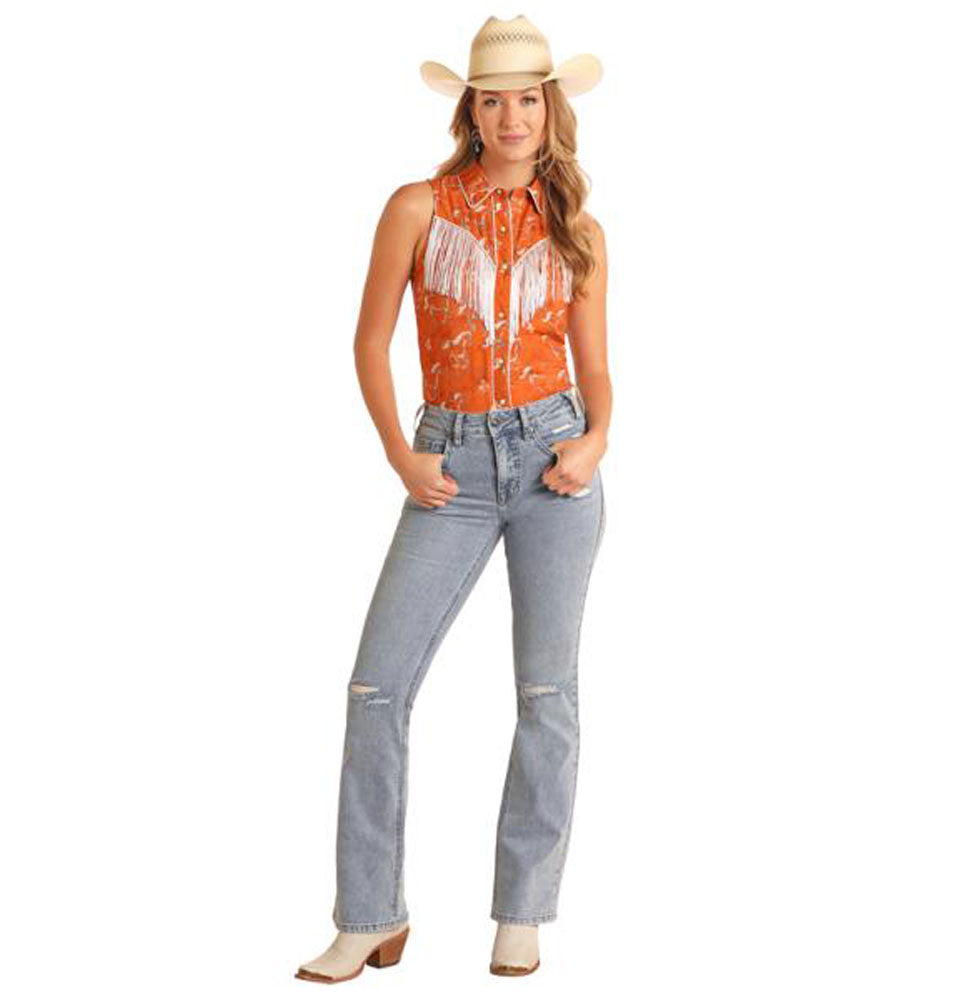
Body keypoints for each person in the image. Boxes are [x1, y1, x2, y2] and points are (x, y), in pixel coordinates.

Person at [295, 14, 610, 983]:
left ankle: (523, 913)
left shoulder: (578, 226)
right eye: (493, 100)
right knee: (376, 689)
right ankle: (369, 915)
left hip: (555, 464)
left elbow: (596, 366)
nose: (512, 116)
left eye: (527, 99)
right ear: (469, 110)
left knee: (547, 694)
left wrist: (594, 440)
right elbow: (369, 340)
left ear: (549, 108)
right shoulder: (418, 207)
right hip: (451, 463)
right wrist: (403, 453)